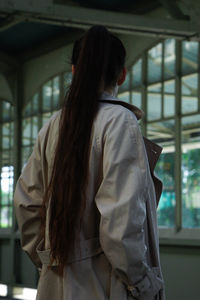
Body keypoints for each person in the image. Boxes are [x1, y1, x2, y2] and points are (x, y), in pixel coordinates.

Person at [14, 25, 165, 300]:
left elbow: (26, 204)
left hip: (53, 284)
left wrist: (48, 259)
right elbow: (121, 224)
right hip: (107, 286)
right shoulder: (121, 121)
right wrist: (142, 283)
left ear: (74, 70)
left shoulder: (52, 126)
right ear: (122, 74)